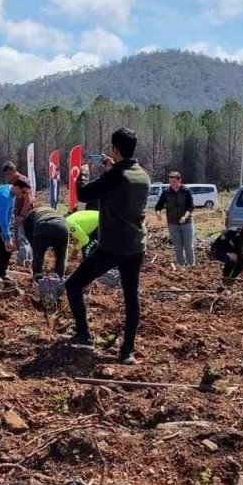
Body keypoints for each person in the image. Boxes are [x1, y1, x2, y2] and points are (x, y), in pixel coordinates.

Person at [64, 128, 151, 365]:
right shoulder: (142, 175)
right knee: (131, 296)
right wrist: (111, 169)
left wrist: (81, 172)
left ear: (115, 149)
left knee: (73, 285)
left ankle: (84, 335)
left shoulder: (116, 176)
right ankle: (128, 351)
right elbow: (122, 191)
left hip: (112, 245)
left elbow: (83, 194)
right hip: (136, 245)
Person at [155, 171, 196, 266]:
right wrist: (158, 213)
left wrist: (185, 216)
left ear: (179, 180)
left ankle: (192, 267)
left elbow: (190, 207)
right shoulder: (166, 192)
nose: (172, 184)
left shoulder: (186, 191)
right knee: (178, 247)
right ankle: (181, 266)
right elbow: (158, 206)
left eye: (174, 182)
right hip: (172, 224)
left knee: (188, 247)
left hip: (186, 223)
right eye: (170, 182)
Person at [24, 201, 69, 278]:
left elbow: (27, 231)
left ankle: (37, 279)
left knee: (38, 255)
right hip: (62, 227)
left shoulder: (32, 213)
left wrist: (34, 245)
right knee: (61, 257)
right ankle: (59, 279)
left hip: (43, 226)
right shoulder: (53, 211)